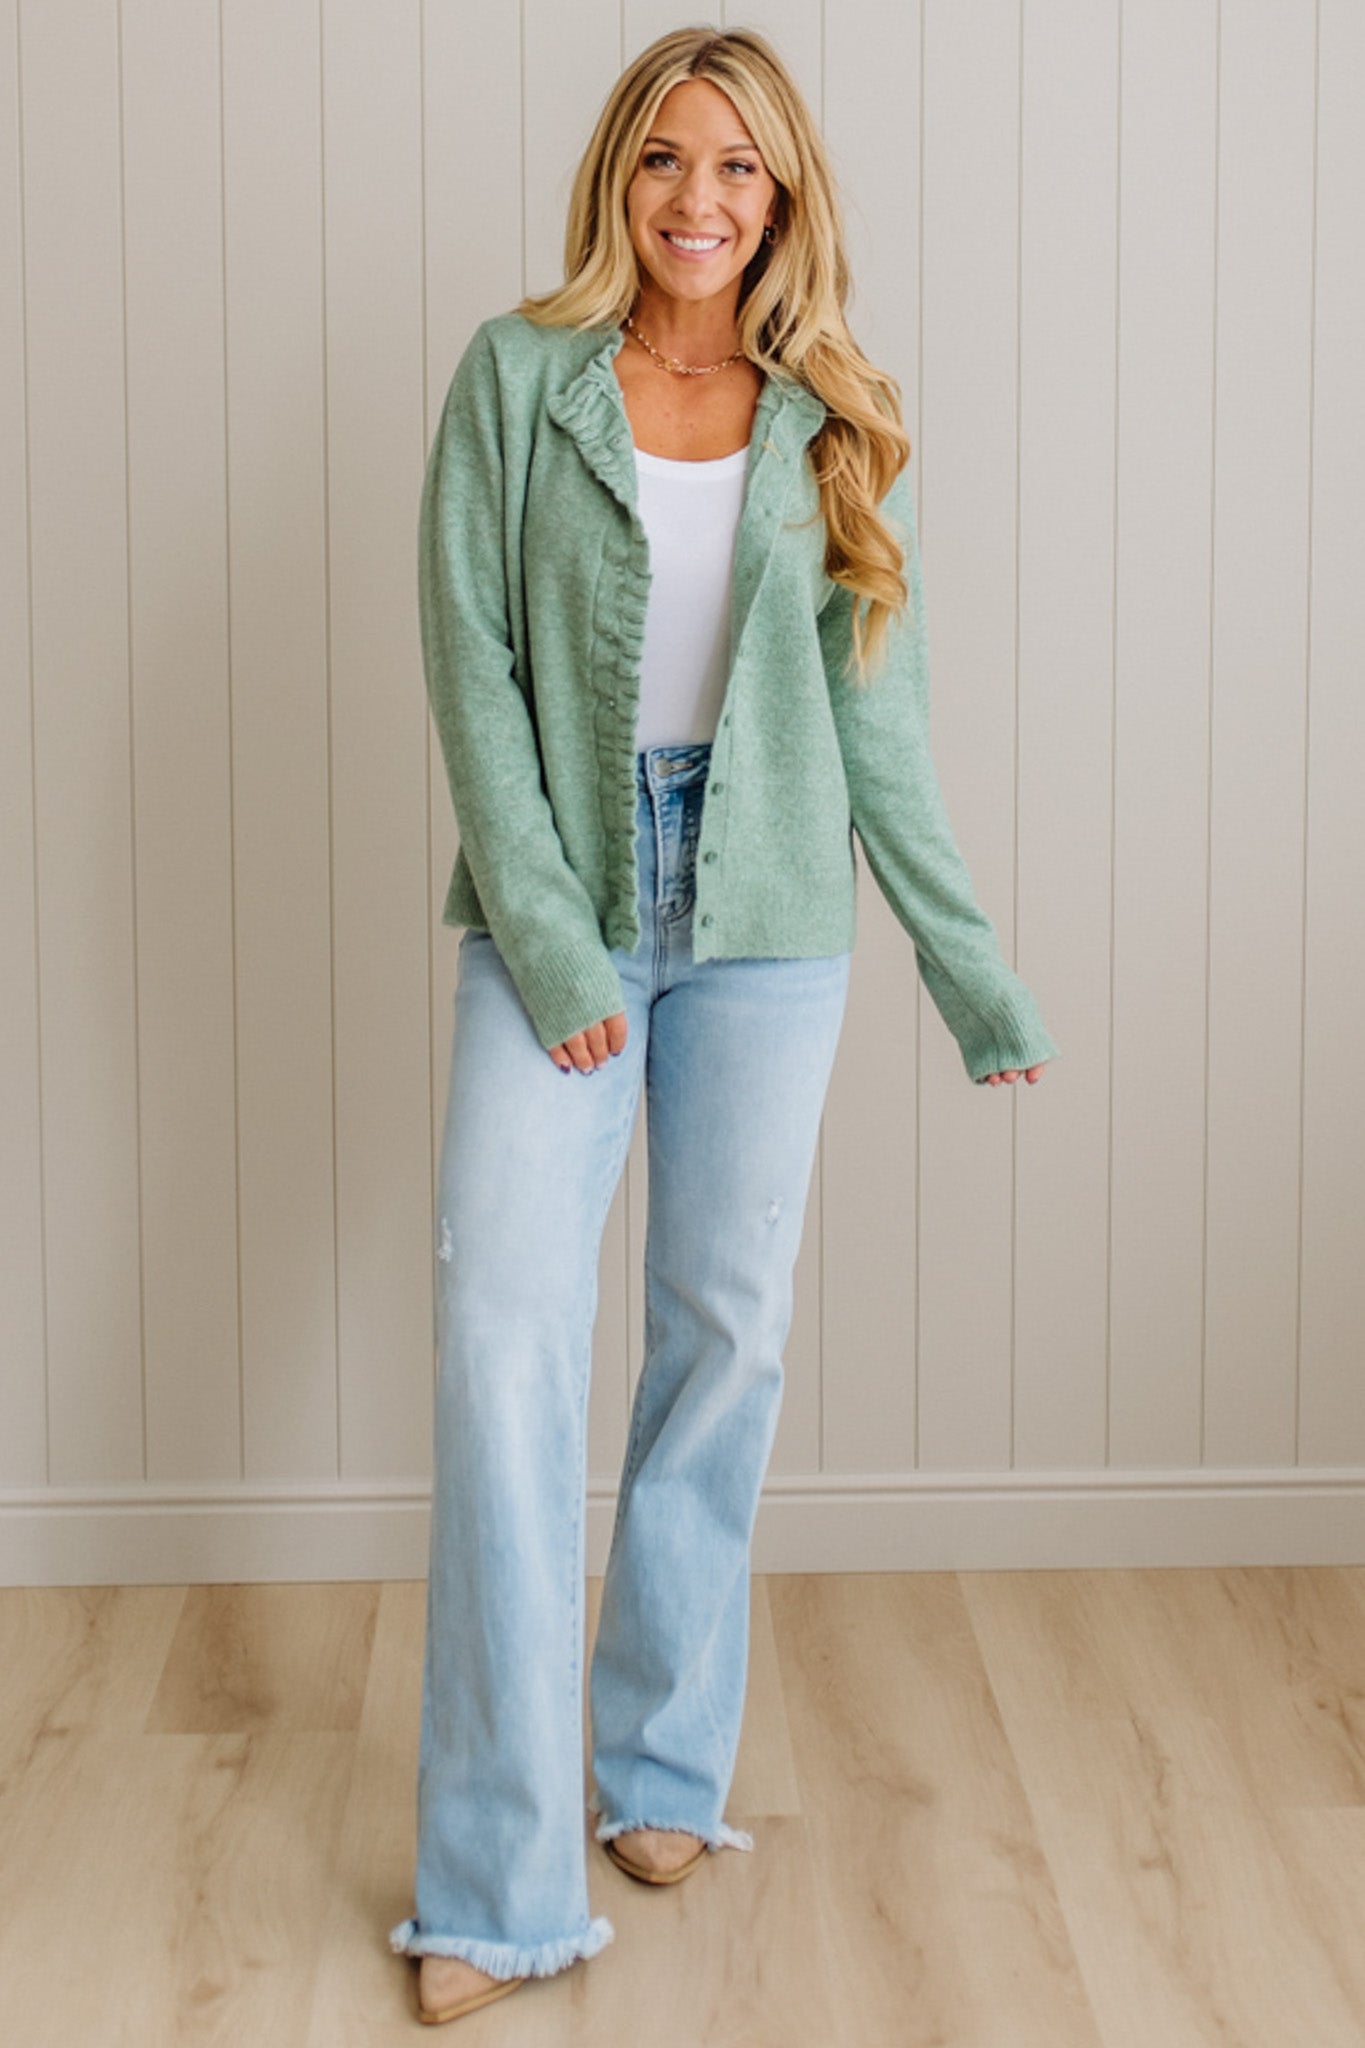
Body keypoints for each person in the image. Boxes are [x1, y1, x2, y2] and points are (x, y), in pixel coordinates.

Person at [389, 24, 1059, 2026]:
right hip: (559, 918)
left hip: (769, 923)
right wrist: (562, 949)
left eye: (738, 171)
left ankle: (662, 1770)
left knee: (719, 1347)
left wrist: (969, 971)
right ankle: (492, 1892)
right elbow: (473, 680)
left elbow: (879, 732)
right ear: (620, 176)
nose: (698, 200)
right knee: (504, 1351)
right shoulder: (515, 379)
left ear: (784, 200)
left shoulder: (833, 422)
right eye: (666, 160)